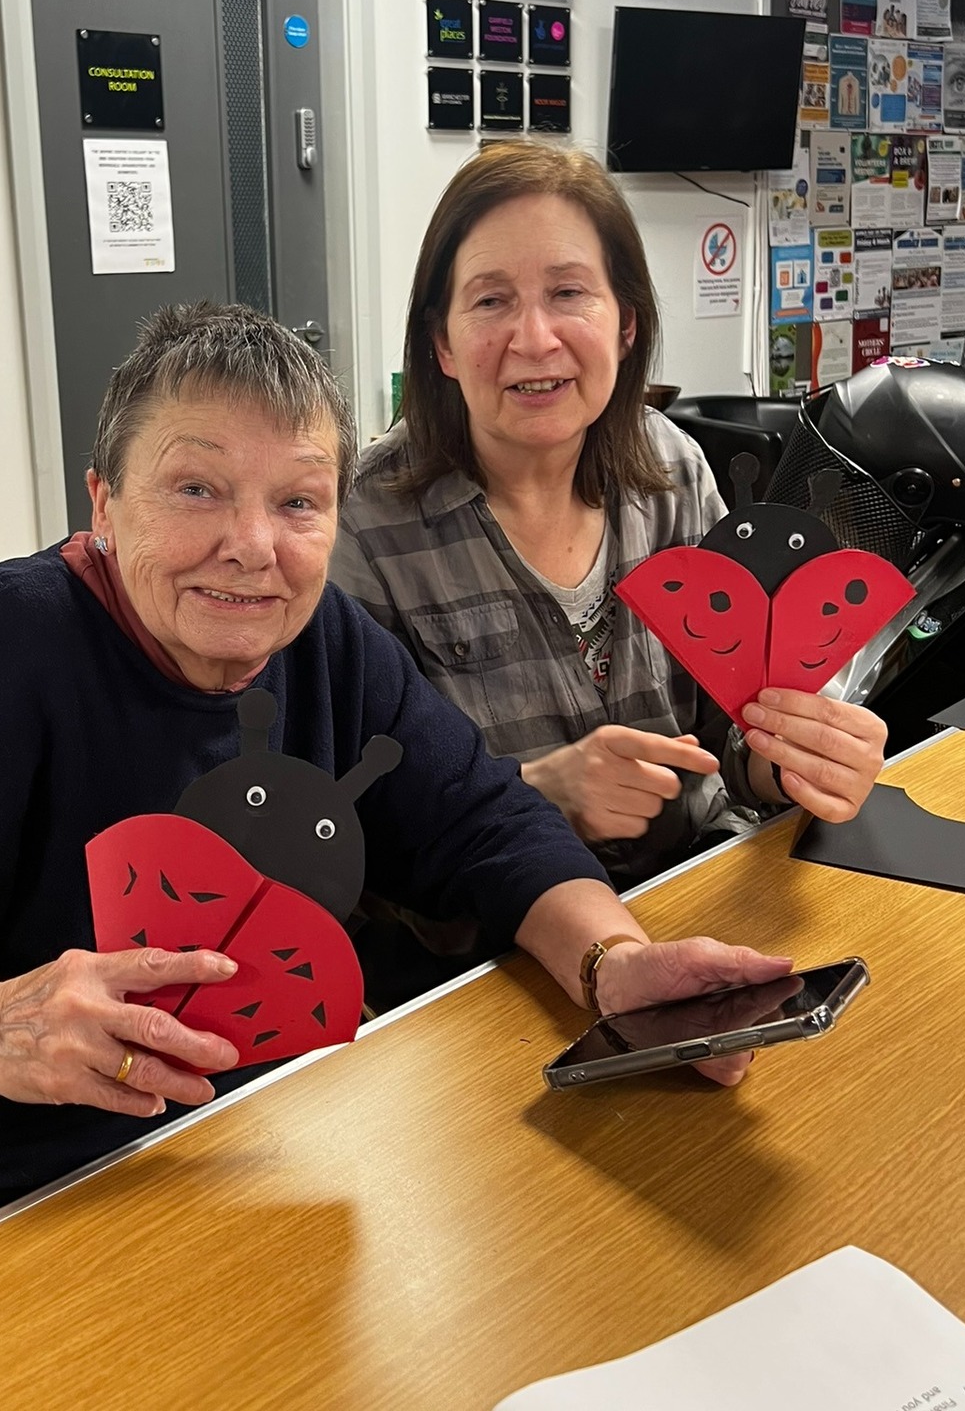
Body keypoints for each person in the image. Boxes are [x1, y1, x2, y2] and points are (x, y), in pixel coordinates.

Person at [0, 303, 791, 1316]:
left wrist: (613, 966)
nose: (254, 546)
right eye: (197, 489)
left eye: (299, 501)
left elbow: (482, 826)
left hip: (227, 1158)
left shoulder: (330, 644)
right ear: (103, 502)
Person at [333, 145, 887, 896]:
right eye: (491, 301)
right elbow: (344, 821)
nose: (534, 339)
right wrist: (533, 793)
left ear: (626, 323)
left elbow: (736, 741)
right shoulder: (362, 523)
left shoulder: (673, 471)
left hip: (700, 888)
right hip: (489, 948)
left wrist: (794, 760)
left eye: (568, 293)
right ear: (442, 343)